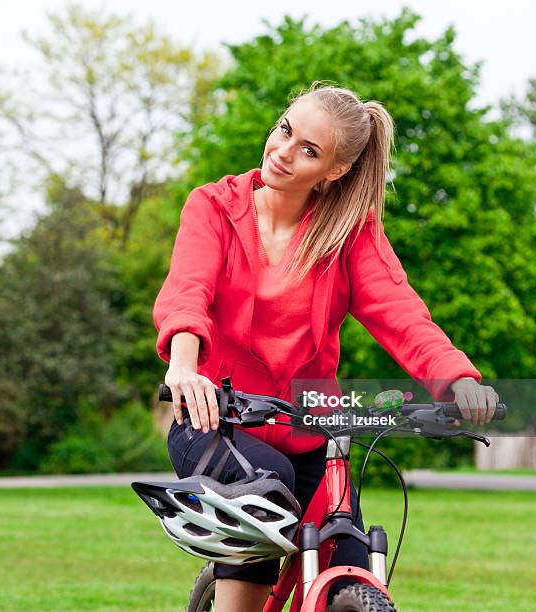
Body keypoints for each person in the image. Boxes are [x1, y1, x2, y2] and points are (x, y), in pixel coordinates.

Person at [153, 82, 500, 612]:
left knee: (351, 562)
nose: (283, 152)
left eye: (308, 150)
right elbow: (187, 291)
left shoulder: (347, 233)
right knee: (271, 494)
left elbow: (401, 312)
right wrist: (183, 366)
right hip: (215, 419)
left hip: (311, 430)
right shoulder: (215, 207)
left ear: (335, 170)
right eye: (285, 131)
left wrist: (457, 379)